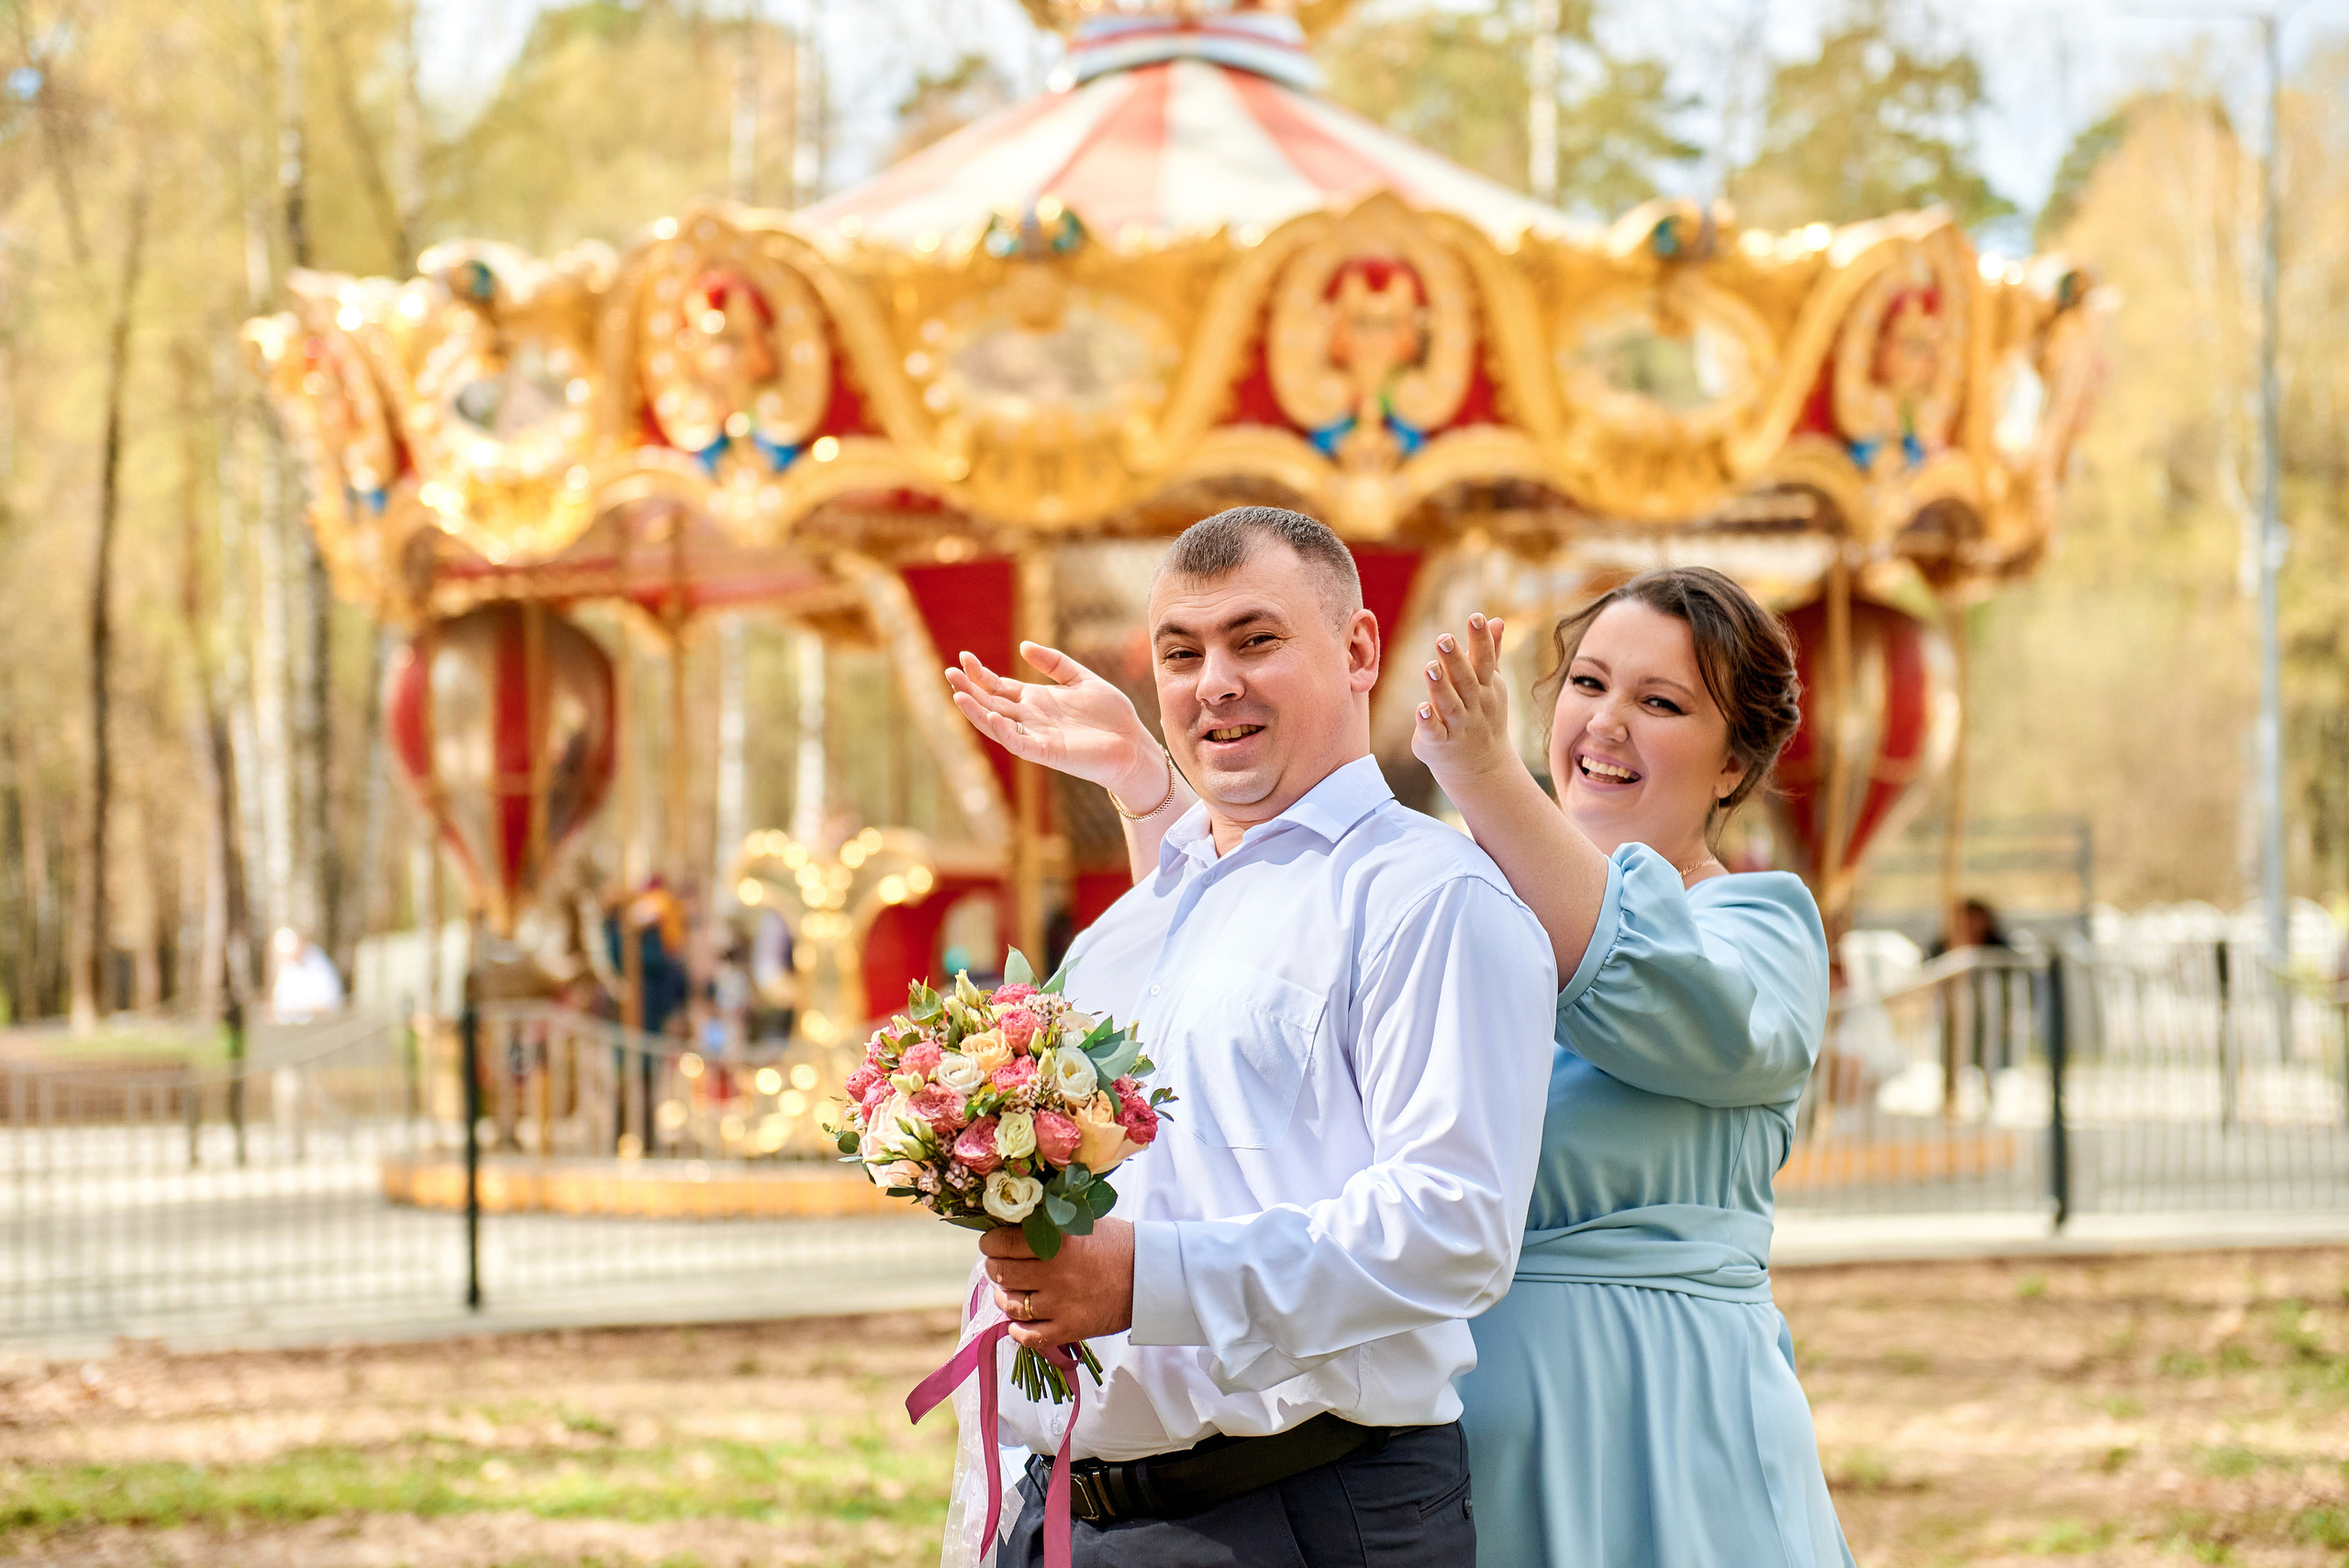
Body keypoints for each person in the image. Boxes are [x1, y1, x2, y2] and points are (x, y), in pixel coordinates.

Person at [952, 561, 1854, 1567]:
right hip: (1419, 1444)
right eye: (1589, 684)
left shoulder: (1751, 930)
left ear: (1733, 765)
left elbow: (1642, 981)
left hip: (1642, 1428)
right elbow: (1248, 995)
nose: (1605, 722)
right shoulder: (1441, 893)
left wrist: (1484, 774)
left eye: (1660, 701)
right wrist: (1151, 785)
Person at [955, 506, 1556, 1566]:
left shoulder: (1429, 897)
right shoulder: (1125, 930)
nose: (1213, 682)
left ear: (1360, 647)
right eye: (1181, 654)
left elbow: (1455, 1224)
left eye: (1255, 639)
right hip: (1066, 1513)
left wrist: (1146, 1279)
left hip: (1296, 1508)